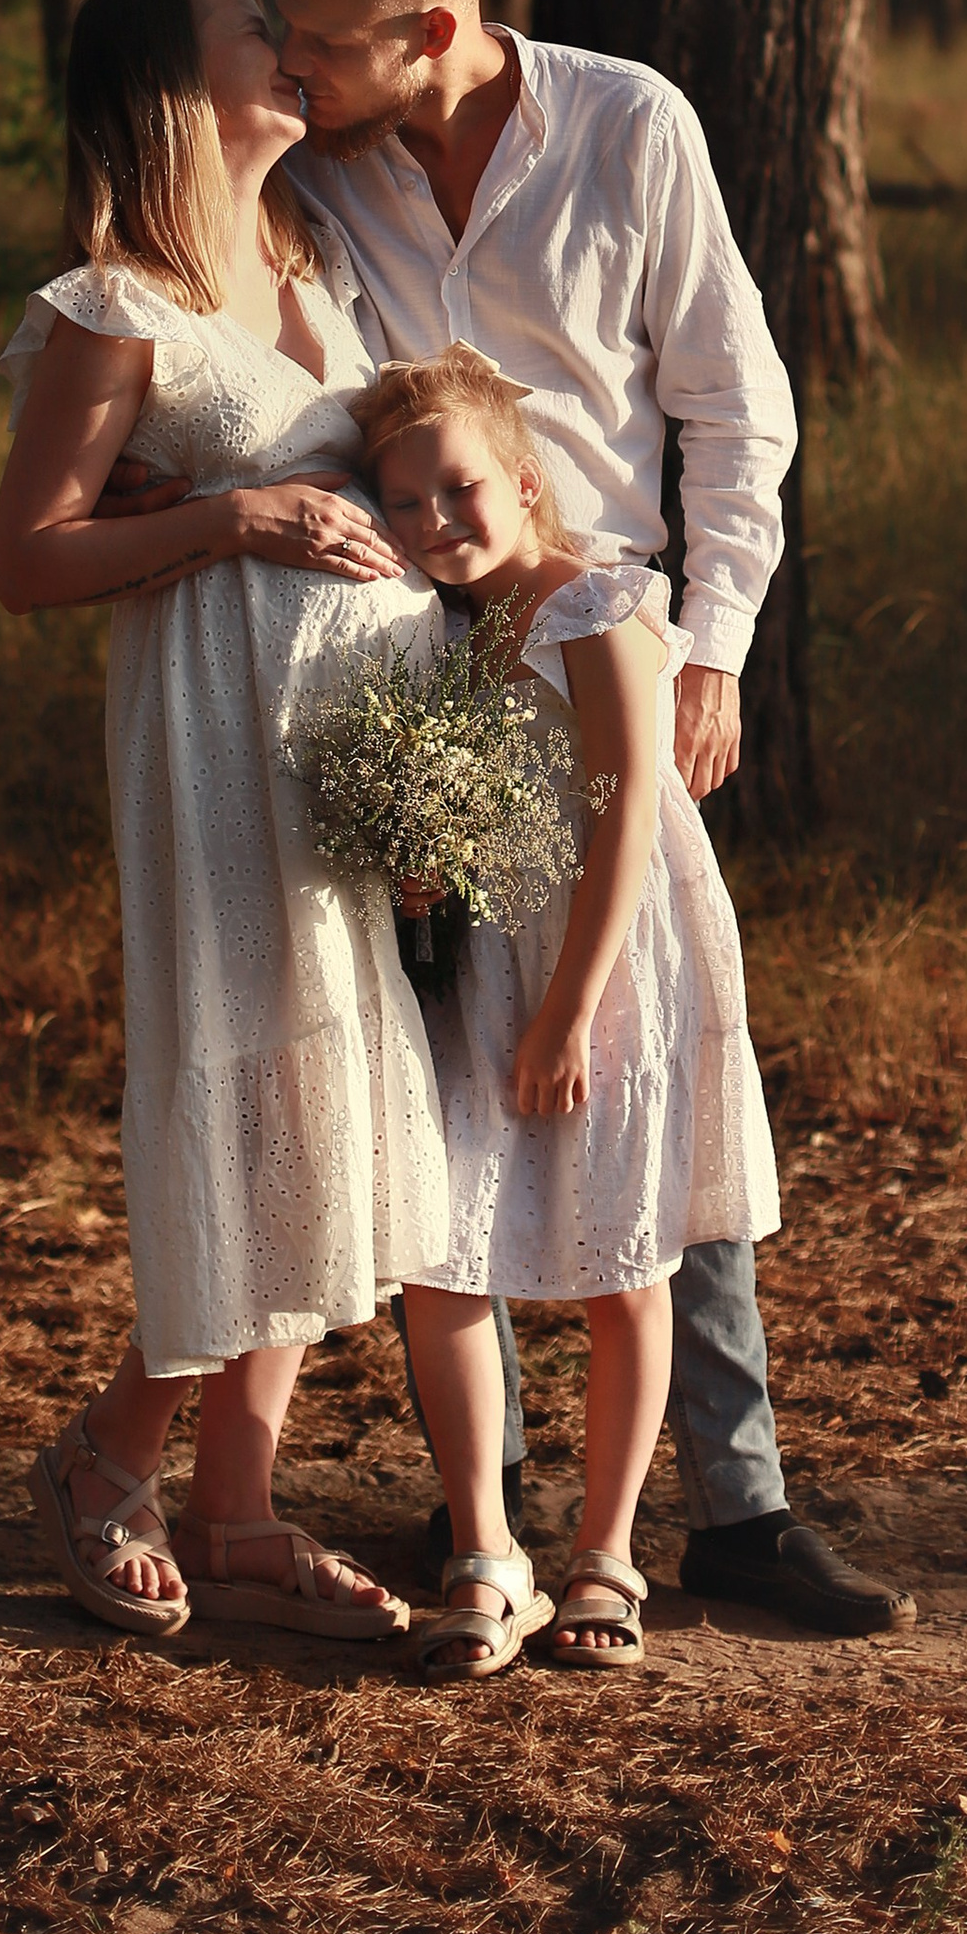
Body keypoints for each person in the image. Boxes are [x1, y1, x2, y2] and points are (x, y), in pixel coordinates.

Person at [272, 0, 909, 1639]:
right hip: (420, 675)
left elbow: (733, 401)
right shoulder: (320, 171)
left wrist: (708, 649)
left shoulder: (629, 128)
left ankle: (736, 1501)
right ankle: (487, 1505)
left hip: (614, 651)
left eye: (325, 43)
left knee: (652, 1057)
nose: (297, 70)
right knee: (450, 1056)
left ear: (435, 28)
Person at [0, 0, 449, 1643]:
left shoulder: (310, 261)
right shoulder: (119, 307)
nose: (291, 45)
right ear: (185, 84)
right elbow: (25, 558)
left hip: (342, 742)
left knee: (322, 1099)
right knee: (252, 1091)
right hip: (209, 738)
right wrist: (225, 520)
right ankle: (110, 1462)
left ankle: (237, 1502)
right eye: (258, 26)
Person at [361, 349, 778, 1680]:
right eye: (404, 502)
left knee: (624, 1253)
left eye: (459, 488)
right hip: (489, 952)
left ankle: (607, 1550)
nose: (434, 521)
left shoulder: (598, 607)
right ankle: (489, 1546)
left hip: (604, 962)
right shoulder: (440, 627)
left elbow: (624, 825)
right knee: (439, 1244)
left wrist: (568, 1011)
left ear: (525, 480)